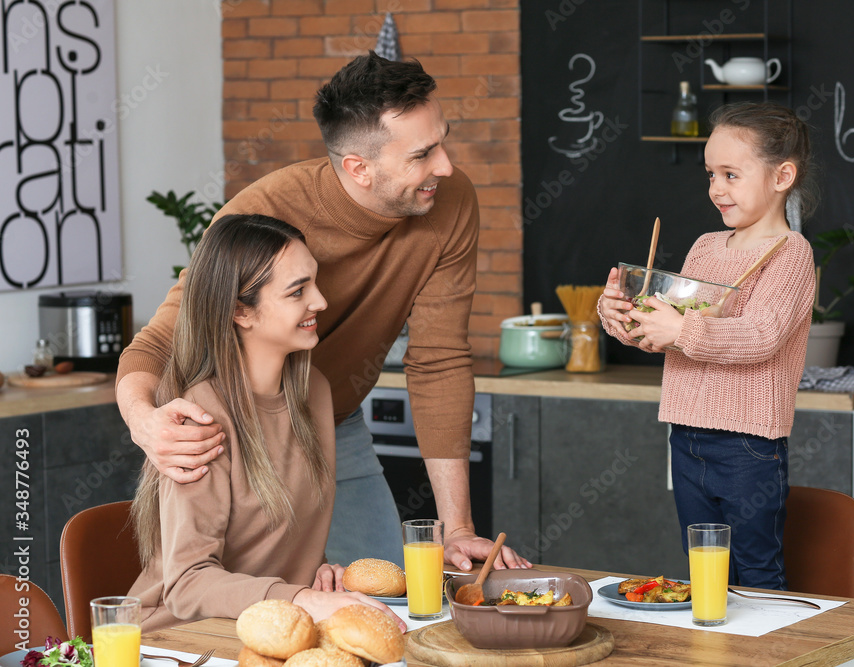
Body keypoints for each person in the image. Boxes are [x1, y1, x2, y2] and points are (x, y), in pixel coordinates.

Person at [116, 52, 527, 572]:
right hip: (235, 433)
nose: (444, 166)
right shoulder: (263, 212)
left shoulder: (449, 200)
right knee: (243, 609)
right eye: (422, 154)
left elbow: (439, 361)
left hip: (333, 419)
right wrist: (143, 422)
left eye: (442, 141)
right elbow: (159, 341)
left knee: (387, 593)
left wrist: (458, 528)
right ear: (359, 167)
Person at [128, 214, 405, 632]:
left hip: (265, 628)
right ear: (242, 311)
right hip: (175, 640)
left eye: (314, 282)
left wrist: (317, 574)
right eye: (298, 292)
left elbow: (279, 546)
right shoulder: (201, 414)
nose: (321, 302)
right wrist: (299, 597)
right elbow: (186, 585)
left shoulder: (314, 391)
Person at [598, 102, 817, 590]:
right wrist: (619, 316)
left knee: (756, 568)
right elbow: (664, 333)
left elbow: (761, 336)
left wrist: (683, 331)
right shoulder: (706, 246)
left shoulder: (791, 254)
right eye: (710, 174)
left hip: (749, 444)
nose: (716, 188)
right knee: (703, 569)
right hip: (686, 435)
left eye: (731, 174)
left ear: (782, 175)